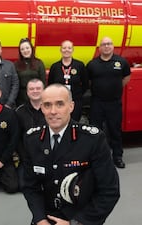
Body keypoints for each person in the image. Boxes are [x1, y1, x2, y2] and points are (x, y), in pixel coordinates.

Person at [22, 83, 120, 225]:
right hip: (47, 218)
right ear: (41, 108)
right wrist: (40, 218)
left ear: (71, 106)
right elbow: (30, 186)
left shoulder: (92, 139)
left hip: (83, 218)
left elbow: (109, 191)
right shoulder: (32, 139)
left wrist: (75, 222)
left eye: (60, 104)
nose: (53, 111)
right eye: (47, 105)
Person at [86, 37, 131, 169]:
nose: (107, 46)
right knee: (95, 131)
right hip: (97, 102)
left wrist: (114, 88)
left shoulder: (121, 62)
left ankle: (117, 157)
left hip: (114, 103)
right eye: (104, 44)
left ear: (113, 46)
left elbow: (126, 77)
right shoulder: (92, 64)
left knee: (115, 130)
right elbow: (89, 81)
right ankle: (96, 157)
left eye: (109, 44)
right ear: (99, 48)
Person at [48, 40, 89, 121]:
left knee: (74, 123)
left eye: (69, 48)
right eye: (64, 48)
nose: (66, 50)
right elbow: (50, 84)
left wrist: (77, 94)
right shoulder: (55, 66)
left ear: (73, 50)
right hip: (58, 102)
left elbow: (85, 84)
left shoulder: (79, 65)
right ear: (60, 50)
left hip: (75, 101)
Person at [15, 78, 45, 189]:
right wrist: (25, 157)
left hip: (49, 156)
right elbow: (17, 139)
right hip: (27, 158)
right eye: (32, 89)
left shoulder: (51, 109)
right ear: (27, 92)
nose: (35, 91)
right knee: (22, 185)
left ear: (43, 90)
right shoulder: (19, 112)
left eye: (38, 88)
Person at [14, 38, 46, 106]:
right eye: (22, 49)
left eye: (27, 48)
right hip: (21, 99)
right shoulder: (16, 65)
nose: (25, 51)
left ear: (31, 49)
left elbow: (43, 82)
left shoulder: (39, 63)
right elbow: (15, 84)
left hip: (37, 97)